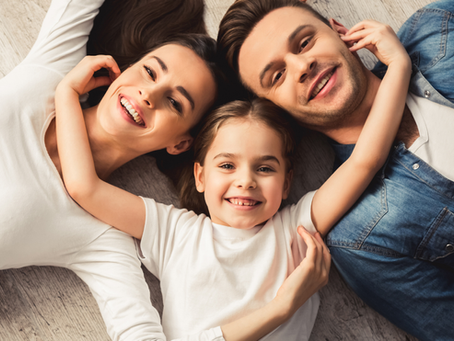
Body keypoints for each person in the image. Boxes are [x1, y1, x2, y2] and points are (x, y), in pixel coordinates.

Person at [54, 18, 410, 339]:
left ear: (286, 184)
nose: (246, 181)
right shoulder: (174, 233)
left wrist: (398, 66)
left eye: (265, 168)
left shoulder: (296, 231)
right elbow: (85, 186)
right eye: (227, 166)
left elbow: (365, 159)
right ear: (200, 175)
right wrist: (67, 94)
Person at [217, 0, 454, 340]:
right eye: (278, 75)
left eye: (305, 42)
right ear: (277, 113)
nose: (302, 65)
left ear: (341, 31)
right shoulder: (362, 238)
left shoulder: (436, 27)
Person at [0, 0, 224, 340]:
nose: (148, 94)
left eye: (175, 103)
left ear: (180, 143)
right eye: (150, 72)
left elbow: (138, 332)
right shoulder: (54, 68)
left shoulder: (99, 234)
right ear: (129, 66)